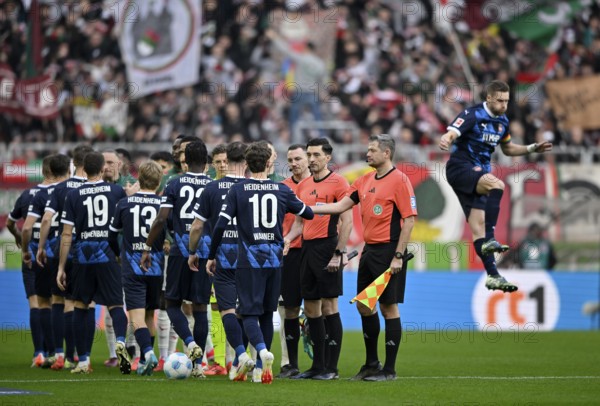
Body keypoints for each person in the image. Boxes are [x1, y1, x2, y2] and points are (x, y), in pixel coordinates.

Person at [310, 134, 417, 381]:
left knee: (388, 307)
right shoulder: (364, 180)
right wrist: (307, 209)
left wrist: (399, 256)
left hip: (390, 251)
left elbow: (409, 221)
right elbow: (339, 207)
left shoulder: (400, 181)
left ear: (386, 153)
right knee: (364, 306)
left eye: (371, 150)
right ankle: (371, 363)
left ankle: (389, 370)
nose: (367, 154)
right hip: (369, 252)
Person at [206, 142, 315, 384]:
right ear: (269, 164)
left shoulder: (239, 190)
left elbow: (220, 226)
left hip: (249, 261)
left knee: (247, 312)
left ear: (246, 164)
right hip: (275, 261)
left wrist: (212, 255)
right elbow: (308, 214)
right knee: (267, 312)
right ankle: (258, 369)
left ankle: (262, 353)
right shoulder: (282, 190)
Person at [439, 80, 553, 292]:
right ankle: (491, 239)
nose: (503, 105)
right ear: (489, 98)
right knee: (497, 185)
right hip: (461, 167)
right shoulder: (472, 114)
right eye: (500, 100)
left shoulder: (503, 121)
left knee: (477, 226)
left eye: (506, 101)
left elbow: (508, 149)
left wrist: (532, 147)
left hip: (480, 172)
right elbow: (453, 131)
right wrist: (447, 138)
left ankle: (492, 275)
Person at [141, 141, 212, 378]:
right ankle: (199, 364)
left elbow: (161, 220)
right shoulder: (213, 186)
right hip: (205, 253)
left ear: (184, 161)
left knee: (172, 302)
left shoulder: (174, 184)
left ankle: (189, 343)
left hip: (180, 252)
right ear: (207, 161)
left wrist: (148, 246)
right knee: (200, 307)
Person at [56, 151, 129, 375]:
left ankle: (84, 360)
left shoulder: (74, 195)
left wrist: (61, 267)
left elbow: (66, 234)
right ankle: (120, 342)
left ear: (83, 169)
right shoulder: (116, 191)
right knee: (116, 305)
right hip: (107, 253)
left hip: (83, 255)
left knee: (80, 305)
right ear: (102, 169)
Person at [287, 138, 352, 381]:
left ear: (327, 158)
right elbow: (299, 223)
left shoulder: (339, 182)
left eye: (316, 155)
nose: (311, 159)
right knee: (312, 307)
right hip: (306, 248)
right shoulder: (303, 186)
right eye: (309, 154)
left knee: (329, 306)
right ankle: (318, 365)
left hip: (327, 248)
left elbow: (347, 222)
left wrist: (339, 252)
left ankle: (331, 368)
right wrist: (286, 239)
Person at [188, 142, 248, 380]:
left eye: (225, 160)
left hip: (218, 256)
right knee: (239, 309)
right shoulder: (251, 188)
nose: (222, 164)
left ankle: (238, 357)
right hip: (249, 258)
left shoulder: (211, 189)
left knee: (225, 309)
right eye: (218, 161)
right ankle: (227, 360)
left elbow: (197, 225)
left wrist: (193, 251)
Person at [37, 144, 94, 370]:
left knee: (59, 301)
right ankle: (80, 356)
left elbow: (46, 219)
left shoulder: (59, 189)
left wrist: (41, 247)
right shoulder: (95, 188)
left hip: (60, 248)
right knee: (83, 304)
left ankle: (61, 354)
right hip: (86, 252)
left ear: (73, 162)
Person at [109, 161, 165, 376]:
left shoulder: (125, 204)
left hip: (132, 264)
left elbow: (112, 235)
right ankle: (144, 360)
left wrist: (117, 254)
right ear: (159, 181)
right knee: (150, 314)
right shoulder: (163, 204)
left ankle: (148, 353)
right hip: (156, 265)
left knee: (136, 317)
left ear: (139, 178)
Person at [23, 154, 71, 368]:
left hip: (46, 251)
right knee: (72, 302)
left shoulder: (34, 194)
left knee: (42, 301)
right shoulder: (73, 189)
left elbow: (24, 226)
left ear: (45, 171)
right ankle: (73, 354)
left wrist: (29, 249)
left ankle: (46, 352)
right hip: (72, 251)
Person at [278, 144, 311, 378]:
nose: (294, 163)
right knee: (289, 308)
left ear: (308, 159)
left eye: (298, 158)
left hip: (312, 252)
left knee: (317, 307)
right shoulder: (282, 188)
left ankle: (322, 363)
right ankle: (291, 364)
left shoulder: (320, 185)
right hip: (289, 254)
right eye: (290, 159)